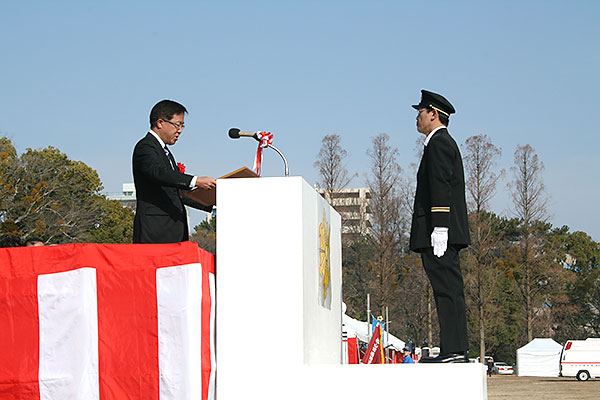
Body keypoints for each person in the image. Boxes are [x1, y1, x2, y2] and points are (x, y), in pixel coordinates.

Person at [409, 90, 471, 363]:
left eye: (420, 112)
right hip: (439, 230)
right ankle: (454, 348)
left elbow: (441, 186)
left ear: (433, 114)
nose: (417, 118)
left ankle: (454, 350)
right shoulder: (438, 144)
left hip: (439, 232)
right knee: (447, 289)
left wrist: (441, 228)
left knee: (447, 290)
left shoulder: (440, 143)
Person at [132, 99, 216, 244]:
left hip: (174, 232)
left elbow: (177, 193)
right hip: (155, 232)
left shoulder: (166, 153)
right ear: (160, 122)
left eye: (182, 126)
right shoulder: (145, 147)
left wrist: (213, 201)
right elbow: (158, 173)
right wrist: (196, 181)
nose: (180, 131)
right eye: (177, 125)